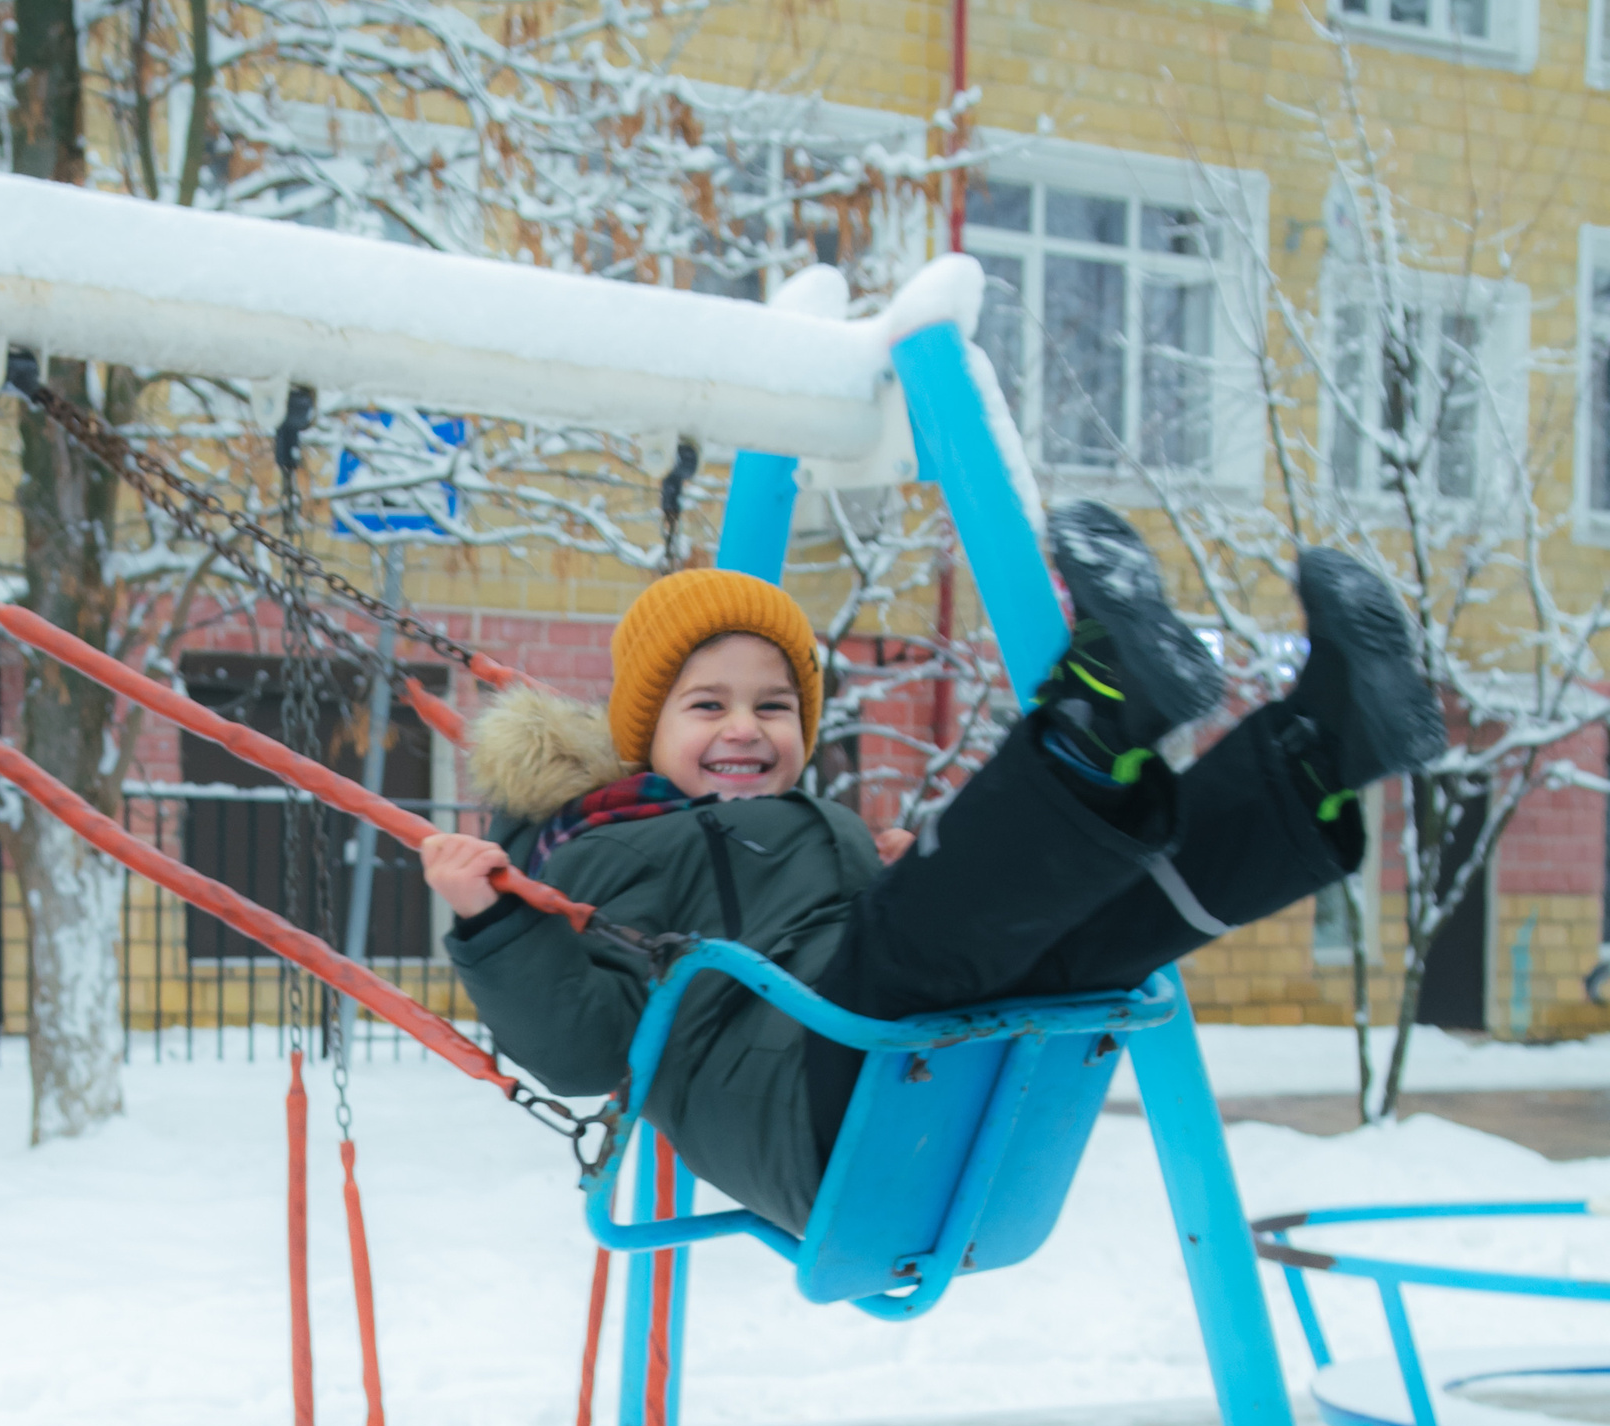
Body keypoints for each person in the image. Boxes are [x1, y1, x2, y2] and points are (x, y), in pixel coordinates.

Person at [421, 506, 1442, 1235]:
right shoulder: (598, 849)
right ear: (645, 734)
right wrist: (491, 923)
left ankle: (1321, 749)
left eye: (774, 706)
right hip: (802, 1112)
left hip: (919, 1100)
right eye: (707, 706)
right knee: (912, 941)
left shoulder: (821, 823)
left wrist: (899, 884)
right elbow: (583, 1051)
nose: (745, 728)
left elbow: (846, 934)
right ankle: (1100, 709)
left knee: (1104, 931)